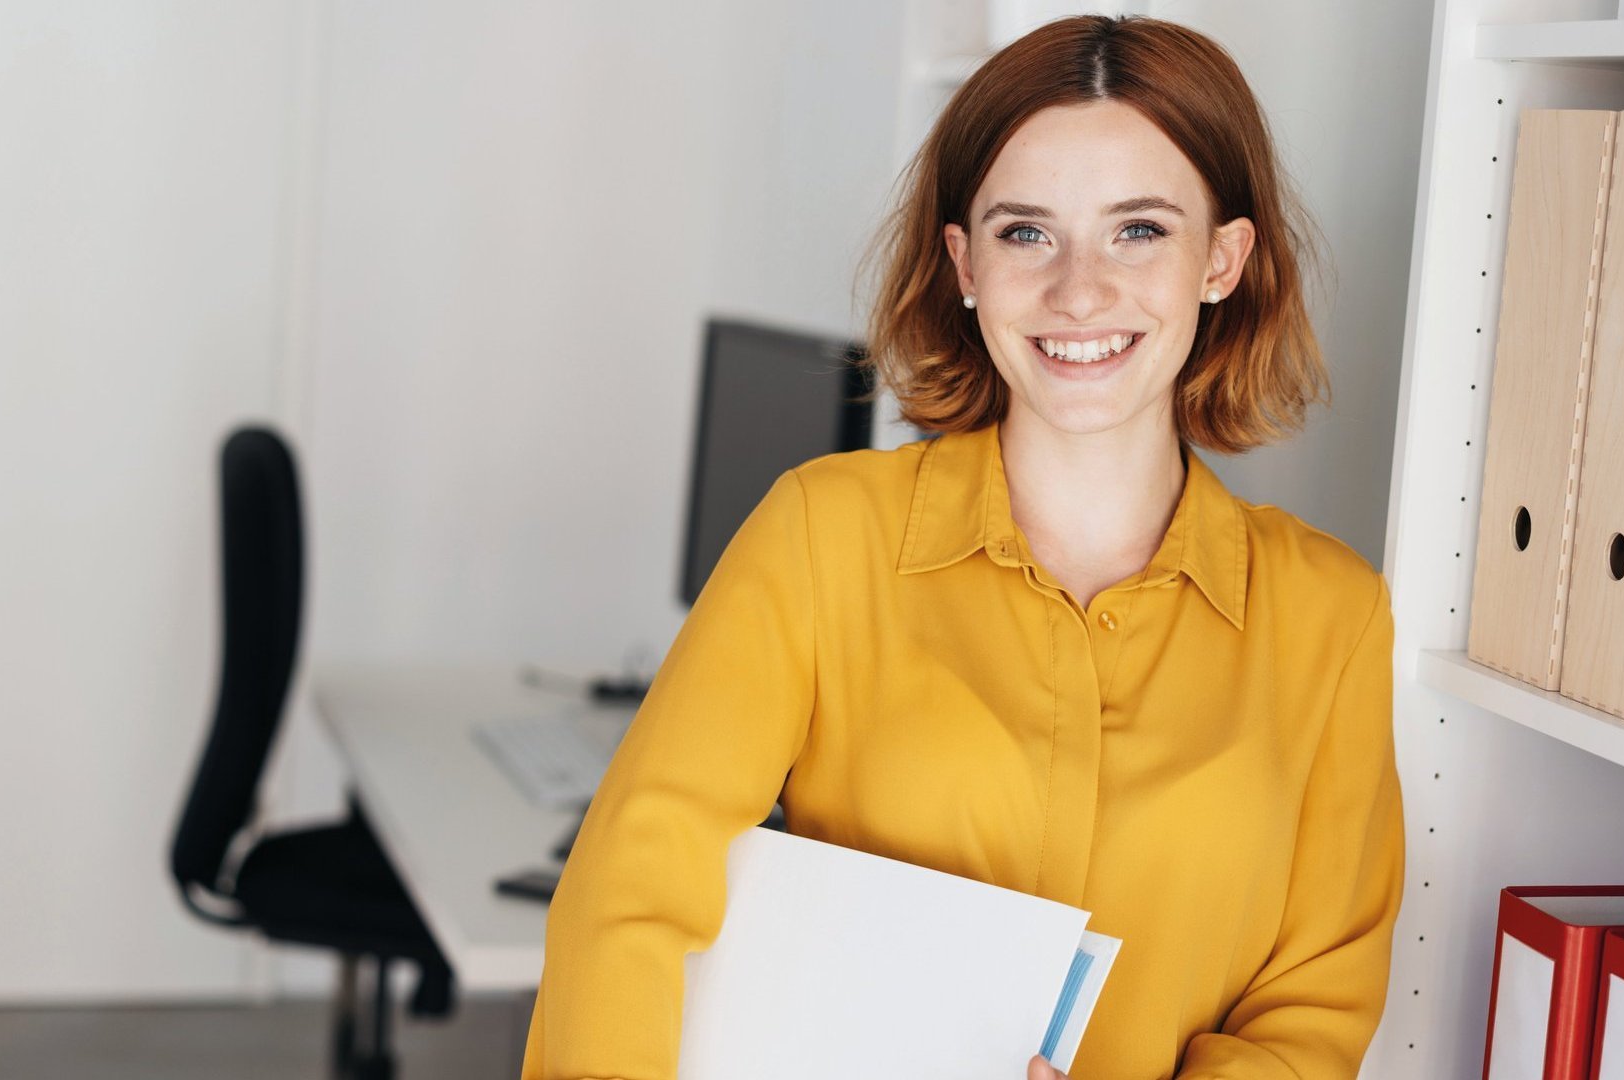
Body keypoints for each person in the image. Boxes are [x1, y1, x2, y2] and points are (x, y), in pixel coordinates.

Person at [521, 14, 1401, 1080]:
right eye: (1026, 232)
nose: (1079, 291)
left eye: (1139, 231)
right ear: (964, 263)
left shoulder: (1330, 616)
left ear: (1223, 258)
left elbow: (1312, 1009)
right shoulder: (822, 535)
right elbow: (630, 890)